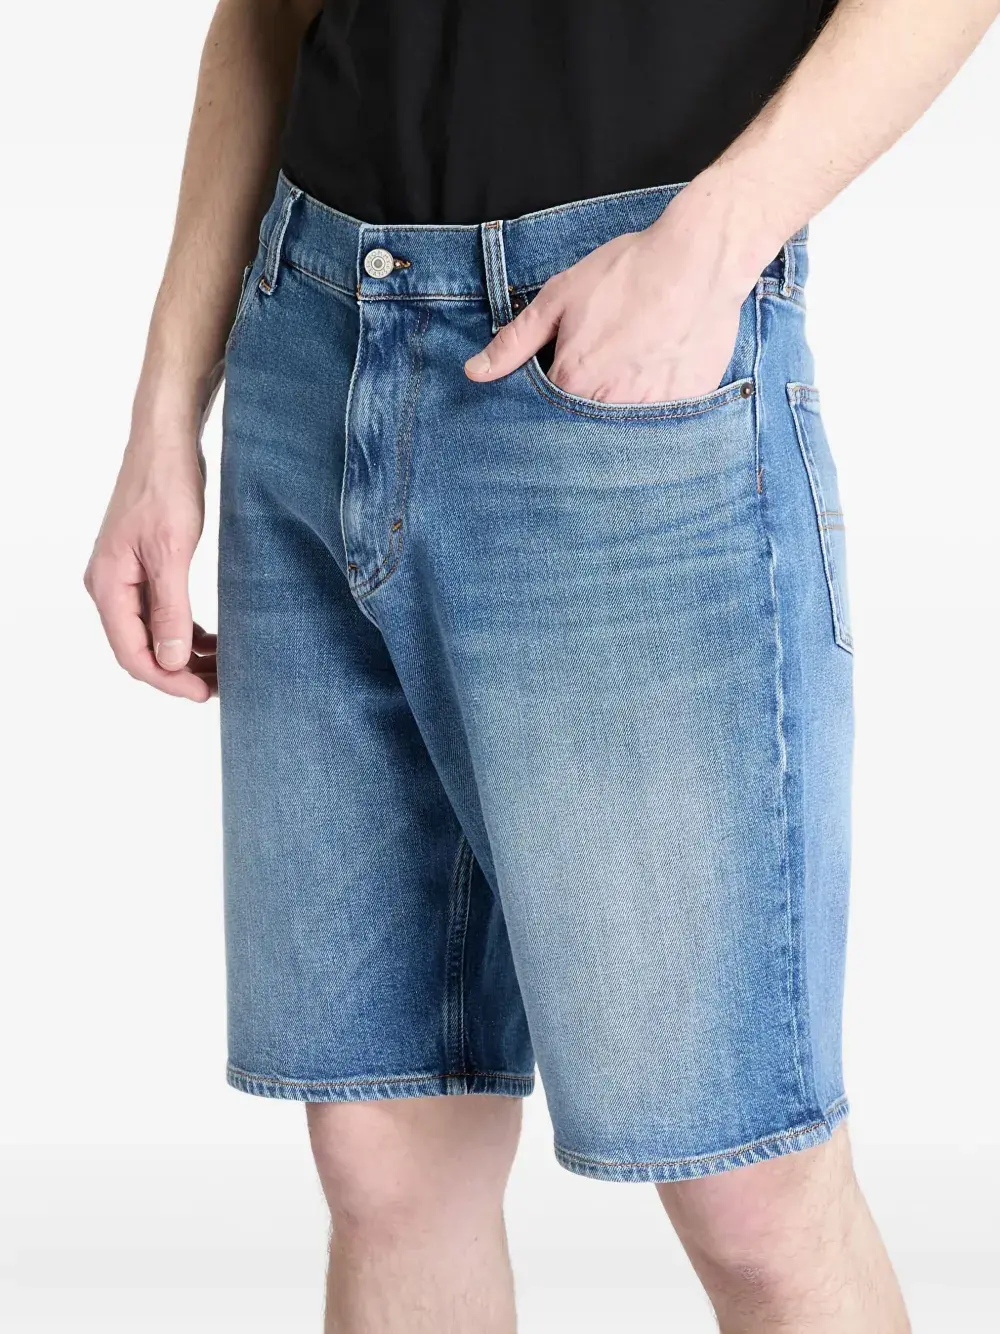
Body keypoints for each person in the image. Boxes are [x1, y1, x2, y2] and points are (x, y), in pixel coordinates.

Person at [84, 1, 997, 1329]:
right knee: (384, 1151)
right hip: (312, 335)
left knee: (750, 1184)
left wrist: (713, 241)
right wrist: (166, 407)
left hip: (620, 374)